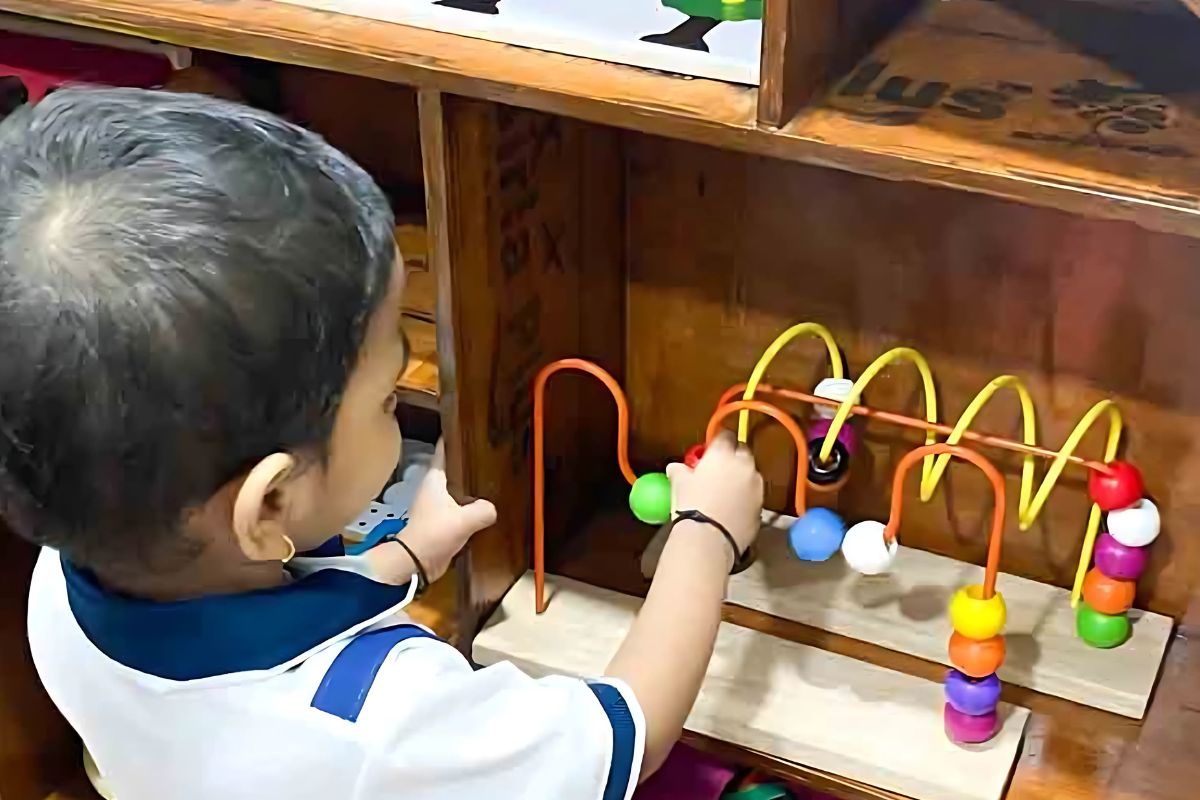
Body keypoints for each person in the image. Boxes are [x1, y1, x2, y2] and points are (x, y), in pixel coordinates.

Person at [1, 87, 764, 800]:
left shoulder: (64, 583)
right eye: (387, 398)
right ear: (269, 503)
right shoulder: (383, 725)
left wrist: (405, 557)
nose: (400, 411)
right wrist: (707, 534)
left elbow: (273, 602)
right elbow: (630, 730)